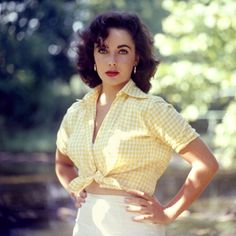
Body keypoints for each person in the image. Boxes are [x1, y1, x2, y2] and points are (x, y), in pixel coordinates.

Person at [55, 11, 219, 236]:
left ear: (136, 58)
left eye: (122, 51)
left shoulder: (152, 109)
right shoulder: (76, 112)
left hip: (135, 225)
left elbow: (206, 164)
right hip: (86, 223)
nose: (112, 60)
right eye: (103, 50)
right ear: (92, 56)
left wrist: (168, 213)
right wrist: (74, 190)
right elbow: (62, 164)